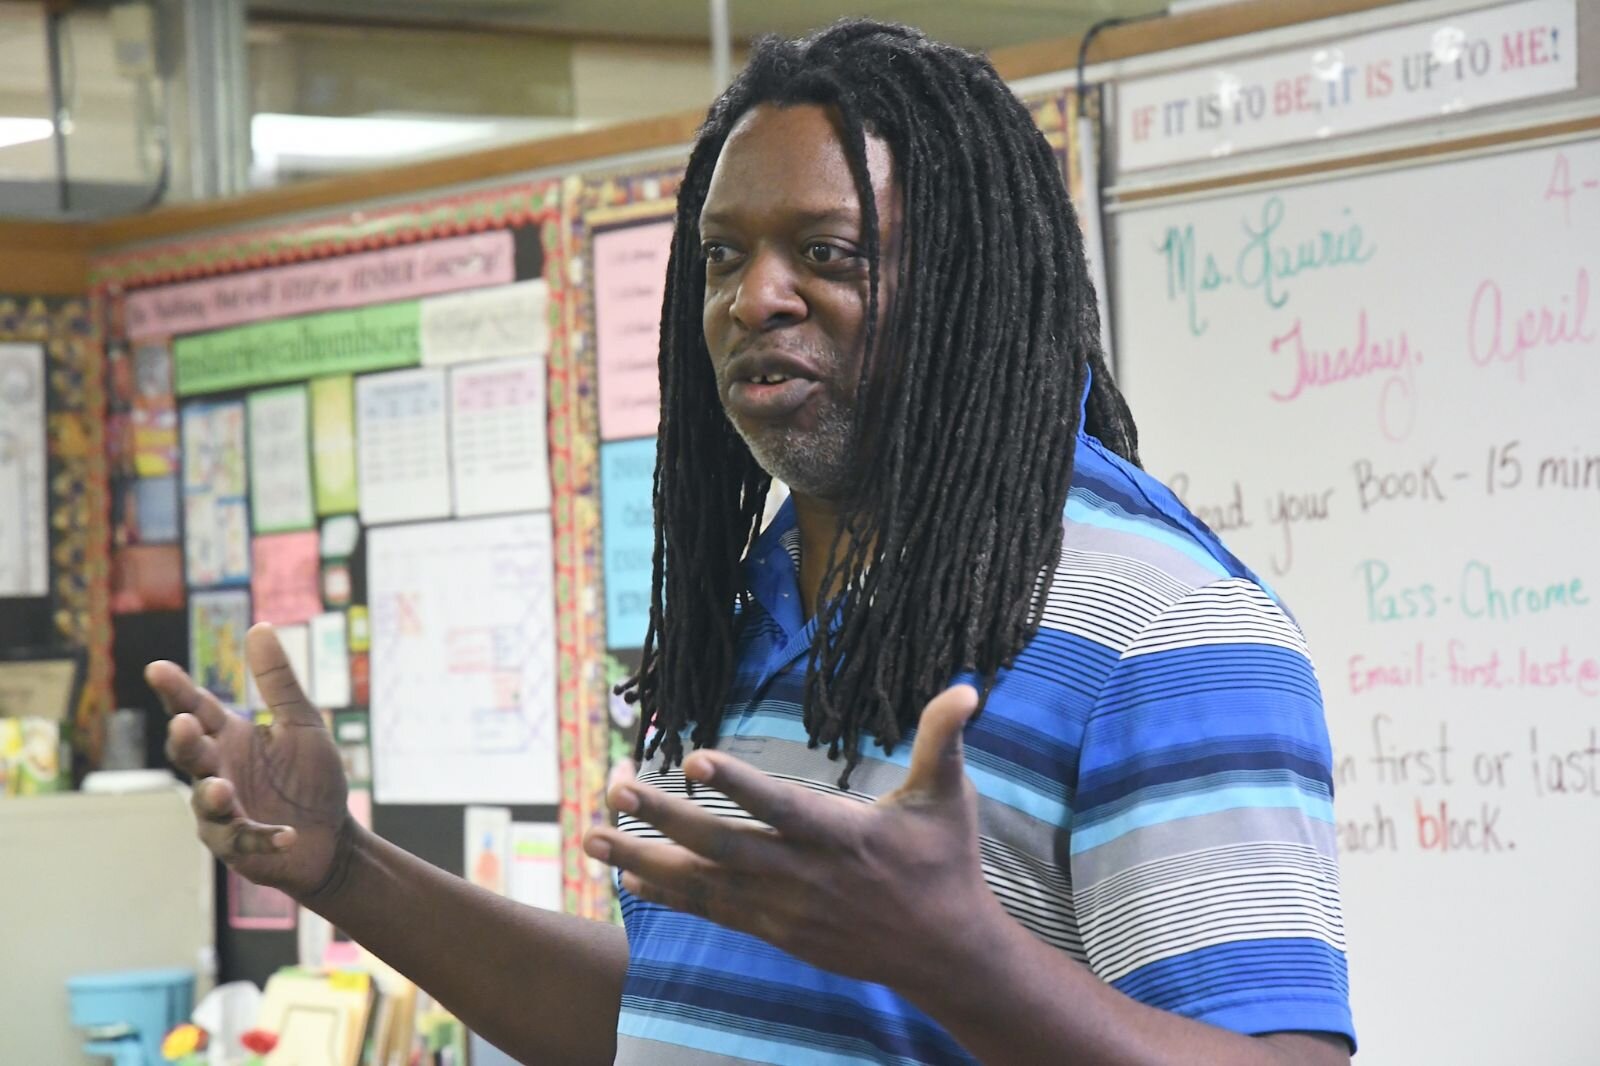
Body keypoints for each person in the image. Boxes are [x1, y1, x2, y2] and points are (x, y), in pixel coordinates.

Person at [150, 21, 1355, 1066]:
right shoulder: (761, 597)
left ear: (969, 279)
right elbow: (677, 1018)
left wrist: (958, 958)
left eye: (825, 253)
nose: (751, 298)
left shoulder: (1165, 625)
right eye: (722, 256)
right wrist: (348, 870)